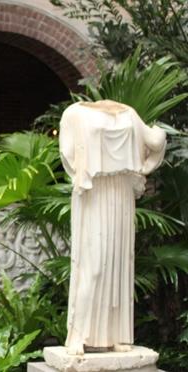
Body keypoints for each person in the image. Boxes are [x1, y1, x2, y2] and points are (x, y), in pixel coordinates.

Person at [59, 100, 166, 355]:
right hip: (93, 190)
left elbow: (155, 141)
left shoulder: (129, 113)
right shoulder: (75, 113)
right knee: (92, 264)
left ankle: (118, 334)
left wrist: (145, 167)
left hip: (121, 192)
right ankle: (78, 334)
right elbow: (68, 152)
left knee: (119, 263)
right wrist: (80, 176)